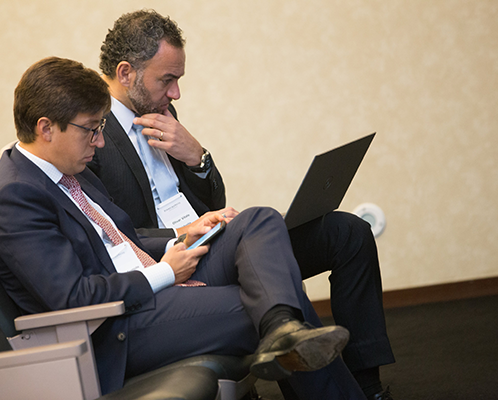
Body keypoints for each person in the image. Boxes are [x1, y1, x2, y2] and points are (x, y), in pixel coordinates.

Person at [0, 56, 371, 399]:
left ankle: (282, 328)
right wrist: (165, 273)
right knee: (265, 301)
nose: (99, 142)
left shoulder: (64, 164)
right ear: (46, 128)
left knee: (259, 220)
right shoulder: (15, 197)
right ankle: (287, 332)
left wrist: (180, 237)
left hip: (148, 281)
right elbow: (74, 298)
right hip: (119, 325)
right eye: (91, 129)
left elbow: (120, 237)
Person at [87, 10, 395, 400]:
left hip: (216, 239)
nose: (176, 93)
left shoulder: (164, 113)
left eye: (178, 80)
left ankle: (367, 386)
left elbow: (213, 201)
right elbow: (109, 234)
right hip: (178, 259)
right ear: (126, 72)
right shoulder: (91, 135)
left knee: (348, 232)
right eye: (167, 80)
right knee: (272, 273)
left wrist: (197, 157)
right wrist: (180, 233)